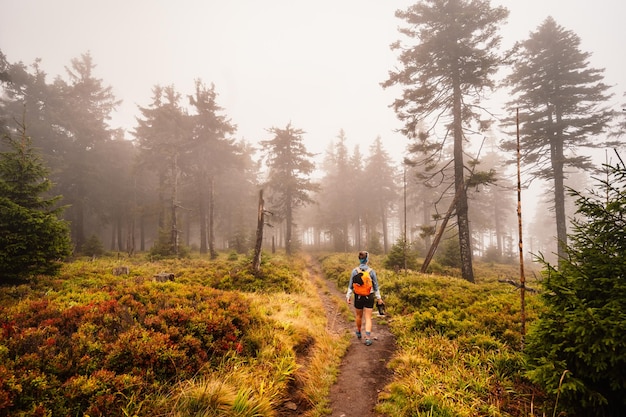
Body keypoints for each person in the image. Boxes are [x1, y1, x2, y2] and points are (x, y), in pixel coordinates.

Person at [346, 250, 383, 346]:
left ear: (359, 259)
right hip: (369, 297)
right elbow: (376, 287)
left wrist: (348, 296)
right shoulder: (371, 272)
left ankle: (358, 332)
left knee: (358, 316)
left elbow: (351, 285)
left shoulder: (354, 271)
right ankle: (367, 338)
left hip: (358, 296)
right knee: (368, 318)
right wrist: (379, 298)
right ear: (367, 259)